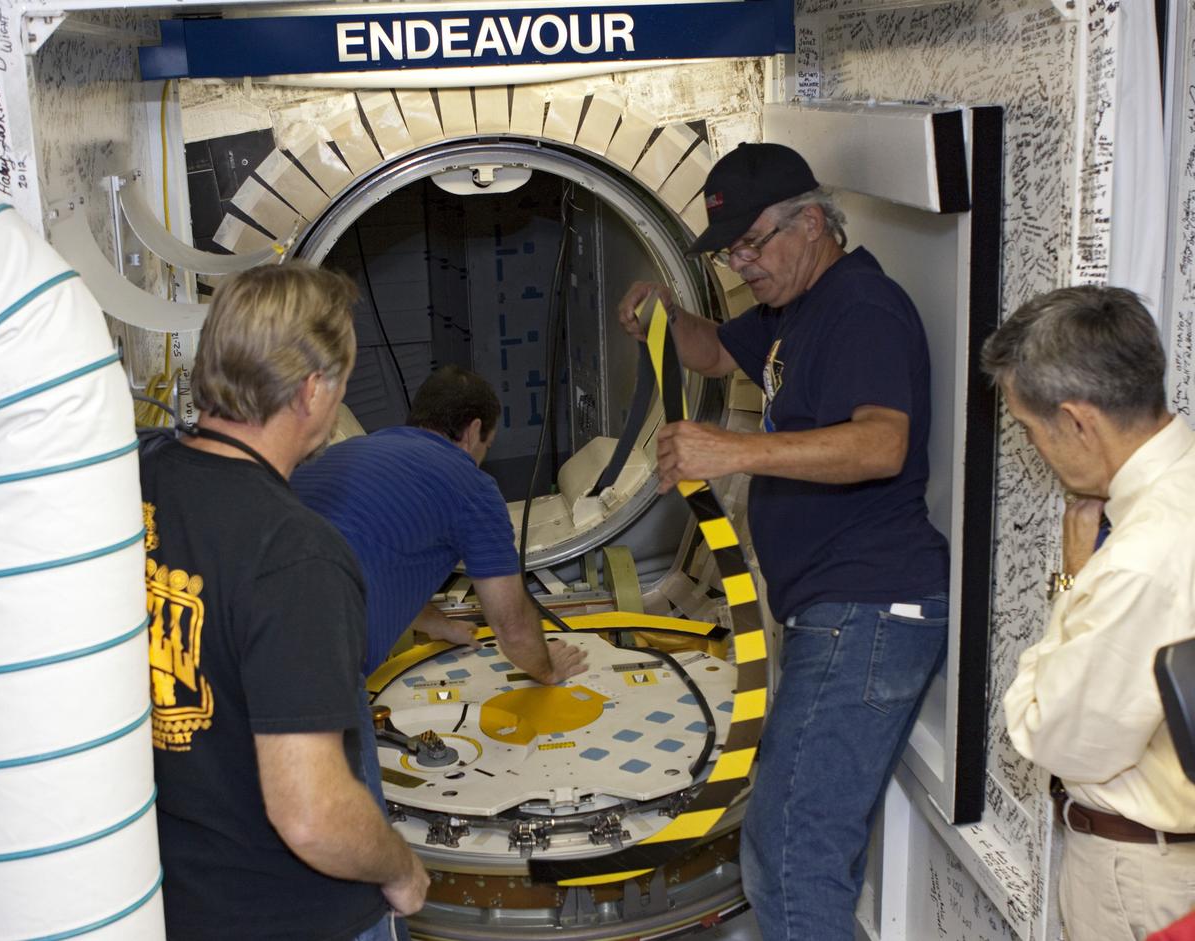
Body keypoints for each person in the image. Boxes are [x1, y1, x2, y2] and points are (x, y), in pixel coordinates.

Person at [616, 143, 949, 940]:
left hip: (868, 607)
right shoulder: (790, 310)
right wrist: (664, 313)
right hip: (838, 610)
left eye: (752, 245)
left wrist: (728, 452)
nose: (743, 263)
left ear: (811, 221)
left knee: (787, 852)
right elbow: (712, 349)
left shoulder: (859, 307)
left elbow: (880, 446)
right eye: (729, 251)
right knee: (806, 848)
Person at [141, 263, 428, 941]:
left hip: (174, 902)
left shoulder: (138, 483)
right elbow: (312, 814)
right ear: (312, 390)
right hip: (296, 916)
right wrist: (399, 865)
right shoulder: (295, 554)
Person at [982, 285, 1195, 941]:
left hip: (1140, 881)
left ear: (1078, 421)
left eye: (1028, 427)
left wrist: (1073, 585)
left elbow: (1059, 737)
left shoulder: (1139, 559)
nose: (1035, 446)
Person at [291, 364, 587, 685]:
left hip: (240, 642)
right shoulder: (470, 485)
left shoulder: (342, 454)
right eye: (486, 447)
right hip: (316, 669)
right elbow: (511, 626)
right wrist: (547, 667)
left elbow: (372, 558)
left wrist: (437, 624)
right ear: (473, 431)